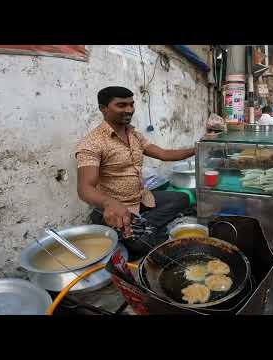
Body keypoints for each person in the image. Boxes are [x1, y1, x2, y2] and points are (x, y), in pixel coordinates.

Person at [75, 86, 195, 256]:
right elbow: (85, 188)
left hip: (140, 199)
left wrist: (197, 148)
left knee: (183, 198)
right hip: (116, 209)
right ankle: (138, 228)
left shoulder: (134, 134)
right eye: (122, 105)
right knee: (144, 245)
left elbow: (163, 154)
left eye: (131, 105)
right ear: (103, 109)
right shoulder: (92, 143)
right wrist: (109, 203)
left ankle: (143, 225)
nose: (129, 110)